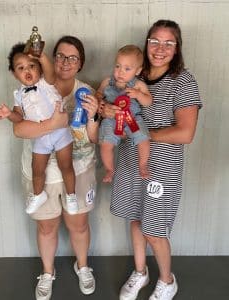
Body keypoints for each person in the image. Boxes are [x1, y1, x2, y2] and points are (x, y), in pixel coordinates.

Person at [103, 20, 202, 300]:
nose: (160, 49)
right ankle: (140, 272)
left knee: (154, 230)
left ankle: (167, 281)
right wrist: (106, 109)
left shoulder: (183, 81)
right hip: (130, 162)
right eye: (155, 41)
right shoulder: (133, 73)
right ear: (146, 44)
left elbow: (185, 133)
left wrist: (142, 134)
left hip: (162, 167)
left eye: (168, 43)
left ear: (177, 48)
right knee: (135, 220)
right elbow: (111, 98)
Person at [13, 36, 99, 300]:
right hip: (43, 173)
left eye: (73, 58)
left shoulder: (86, 91)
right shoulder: (34, 86)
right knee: (46, 227)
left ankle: (82, 266)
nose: (65, 62)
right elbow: (19, 129)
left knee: (79, 225)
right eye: (60, 55)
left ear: (81, 63)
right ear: (50, 58)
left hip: (79, 167)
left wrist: (95, 115)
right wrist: (53, 125)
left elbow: (93, 138)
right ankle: (47, 272)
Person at [0, 43, 79, 215]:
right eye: (21, 68)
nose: (28, 70)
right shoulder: (18, 95)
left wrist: (40, 55)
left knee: (66, 165)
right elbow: (19, 118)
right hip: (40, 137)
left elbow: (49, 70)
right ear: (14, 73)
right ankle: (38, 194)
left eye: (32, 66)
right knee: (37, 169)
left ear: (39, 68)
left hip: (60, 133)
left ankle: (71, 195)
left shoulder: (46, 83)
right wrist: (9, 113)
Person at [96, 45, 152, 183]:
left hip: (132, 118)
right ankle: (109, 169)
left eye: (127, 69)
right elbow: (98, 94)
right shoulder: (107, 82)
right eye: (117, 66)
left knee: (143, 139)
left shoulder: (138, 85)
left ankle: (143, 164)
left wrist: (138, 95)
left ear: (138, 71)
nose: (120, 72)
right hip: (111, 119)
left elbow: (148, 101)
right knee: (105, 144)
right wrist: (99, 102)